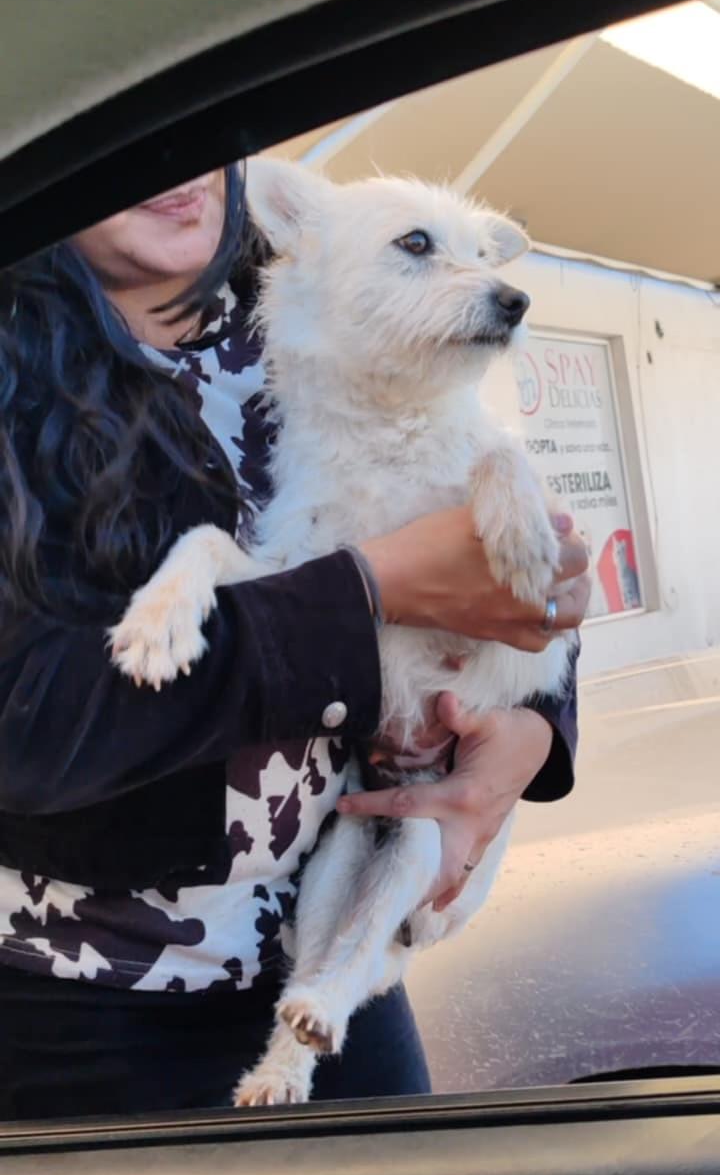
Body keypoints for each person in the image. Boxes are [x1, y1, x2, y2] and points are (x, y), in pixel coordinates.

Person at [0, 164, 590, 1121]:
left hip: (340, 964)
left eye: (203, 116)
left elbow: (510, 557)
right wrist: (369, 590)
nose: (177, 157)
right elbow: (27, 725)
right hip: (86, 1002)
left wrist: (528, 736)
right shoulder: (19, 382)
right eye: (140, 119)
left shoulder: (326, 307)